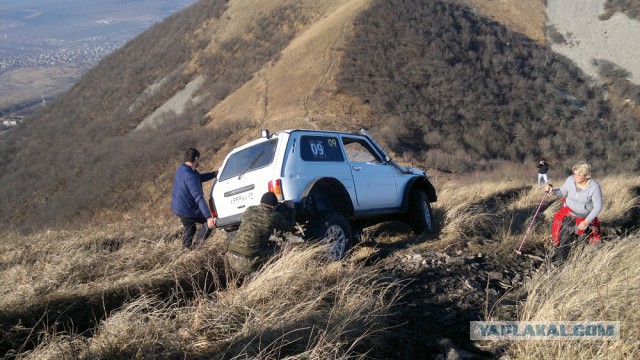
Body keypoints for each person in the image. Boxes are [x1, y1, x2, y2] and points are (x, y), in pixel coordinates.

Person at [226, 192, 296, 275]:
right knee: (279, 249)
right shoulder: (273, 216)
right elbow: (290, 226)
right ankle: (264, 274)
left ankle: (253, 274)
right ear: (273, 206)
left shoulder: (249, 209)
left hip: (231, 257)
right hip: (247, 262)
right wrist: (291, 210)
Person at [545, 161, 602, 262]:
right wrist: (552, 191)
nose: (576, 176)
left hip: (585, 217)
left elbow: (598, 207)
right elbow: (562, 192)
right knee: (565, 237)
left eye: (579, 174)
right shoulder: (570, 180)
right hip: (569, 213)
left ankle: (582, 254)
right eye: (575, 173)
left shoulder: (594, 187)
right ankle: (561, 261)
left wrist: (587, 221)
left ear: (587, 175)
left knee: (583, 240)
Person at [171, 148, 217, 248]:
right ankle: (197, 247)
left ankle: (185, 249)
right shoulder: (190, 176)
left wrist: (215, 173)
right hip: (187, 210)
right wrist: (209, 217)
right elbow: (199, 197)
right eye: (198, 159)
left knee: (190, 228)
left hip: (178, 207)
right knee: (208, 223)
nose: (199, 161)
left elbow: (199, 178)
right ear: (196, 158)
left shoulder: (182, 168)